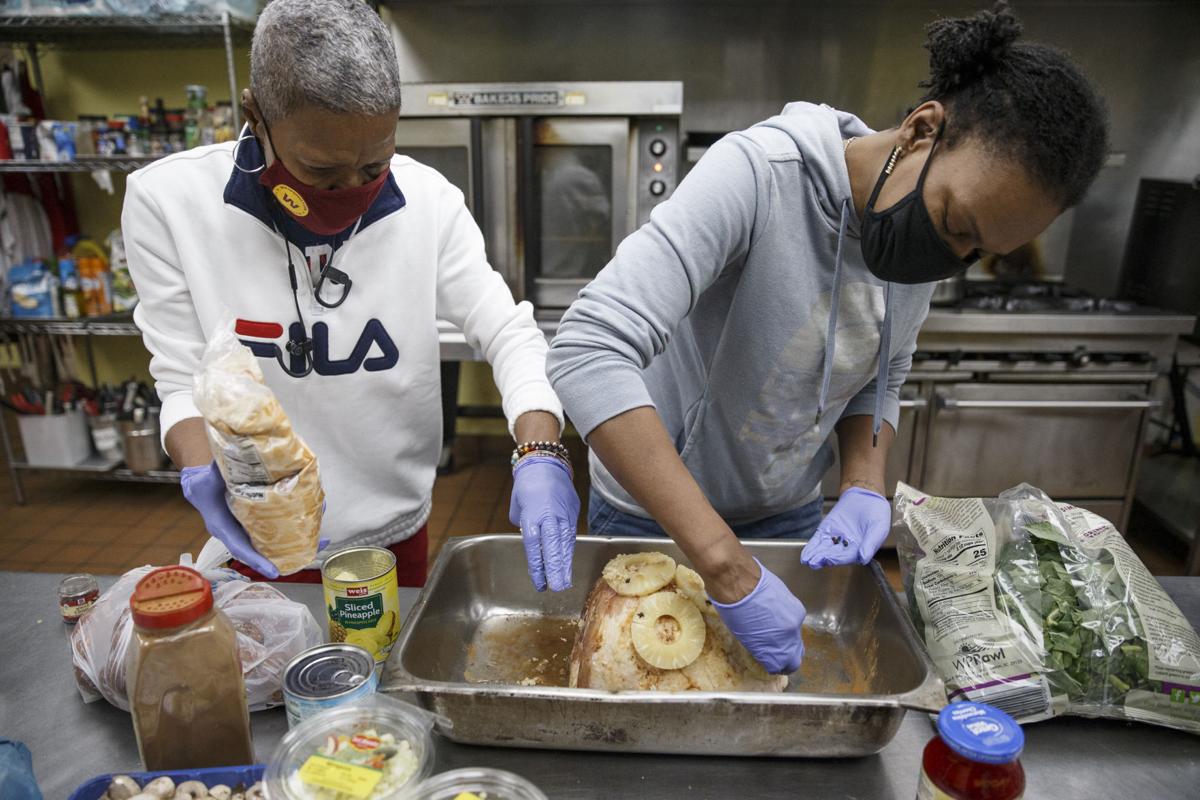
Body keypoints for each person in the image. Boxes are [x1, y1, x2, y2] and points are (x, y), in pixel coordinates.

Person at [545, 2, 1108, 672]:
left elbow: (881, 371)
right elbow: (587, 348)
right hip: (656, 513)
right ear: (923, 130)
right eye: (958, 224)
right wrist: (727, 568)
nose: (953, 256)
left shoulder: (922, 240)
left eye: (978, 250)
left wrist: (865, 485)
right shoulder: (758, 174)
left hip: (789, 518)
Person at [123, 0, 579, 589]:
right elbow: (181, 376)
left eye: (373, 167)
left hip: (393, 531)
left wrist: (540, 451)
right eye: (322, 172)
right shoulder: (169, 204)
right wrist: (198, 471)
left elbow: (507, 331)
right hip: (257, 531)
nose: (350, 191)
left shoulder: (429, 201)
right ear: (256, 117)